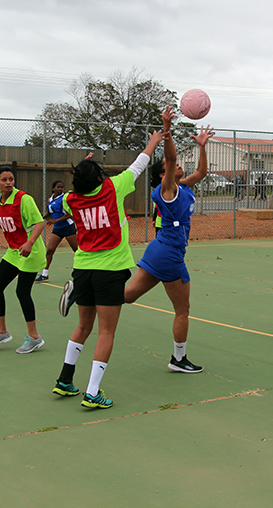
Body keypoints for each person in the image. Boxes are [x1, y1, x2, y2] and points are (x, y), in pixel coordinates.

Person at [53, 127, 165, 409]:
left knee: (83, 326)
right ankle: (92, 392)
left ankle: (65, 380)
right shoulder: (113, 187)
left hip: (82, 268)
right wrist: (153, 141)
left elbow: (57, 202)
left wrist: (82, 171)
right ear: (100, 178)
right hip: (110, 270)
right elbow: (140, 163)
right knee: (106, 332)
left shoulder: (70, 199)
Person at [123, 107, 214, 374]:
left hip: (158, 250)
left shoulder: (183, 185)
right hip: (170, 253)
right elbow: (171, 157)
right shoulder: (167, 190)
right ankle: (178, 359)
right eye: (171, 167)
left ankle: (82, 292)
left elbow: (202, 173)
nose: (176, 166)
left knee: (127, 296)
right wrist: (167, 129)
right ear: (164, 174)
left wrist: (202, 147)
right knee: (183, 309)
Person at [0, 166, 48, 353]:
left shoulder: (24, 199)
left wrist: (30, 243)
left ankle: (34, 337)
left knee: (22, 292)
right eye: (4, 179)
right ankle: (2, 332)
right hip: (14, 252)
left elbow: (40, 223)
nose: (8, 182)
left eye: (11, 179)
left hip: (31, 251)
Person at [35, 180, 78, 282]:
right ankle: (44, 275)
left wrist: (55, 220)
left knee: (77, 251)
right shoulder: (51, 199)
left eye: (62, 187)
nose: (60, 189)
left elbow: (69, 214)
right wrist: (40, 219)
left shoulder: (64, 199)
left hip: (68, 227)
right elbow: (49, 213)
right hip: (57, 229)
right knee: (49, 250)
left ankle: (81, 271)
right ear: (53, 188)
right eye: (58, 187)